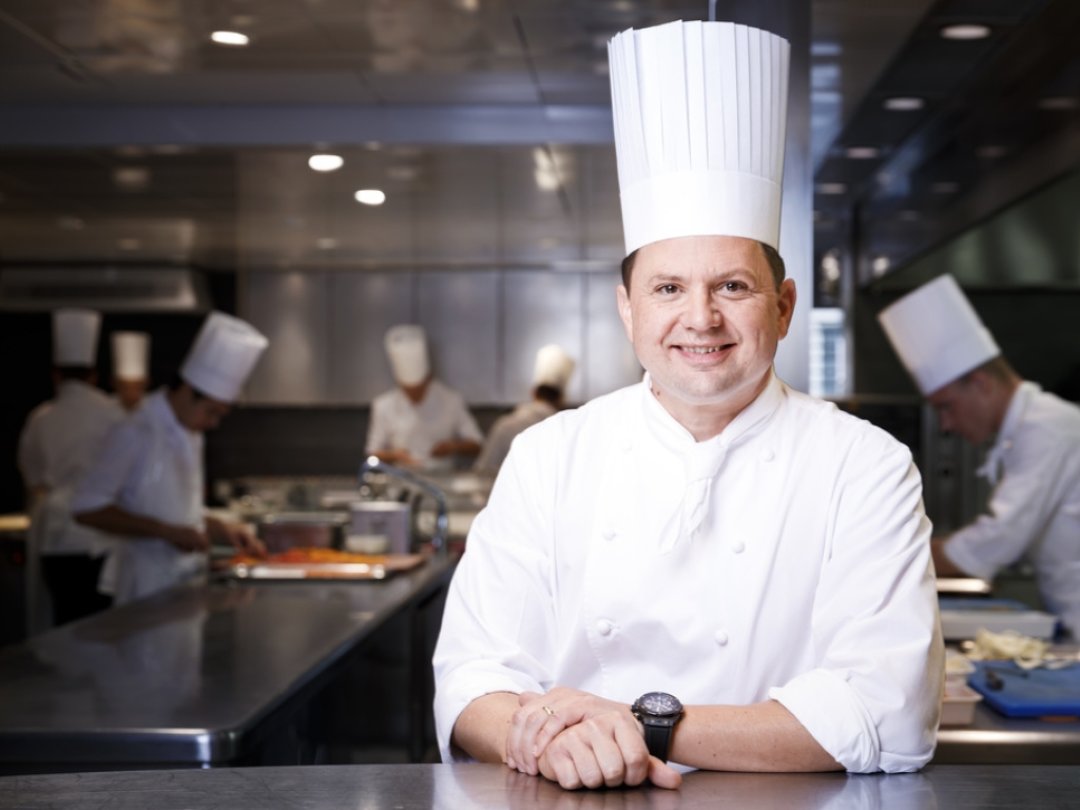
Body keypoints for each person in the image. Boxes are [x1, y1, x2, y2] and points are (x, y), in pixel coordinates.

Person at [433, 19, 942, 791]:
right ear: (627, 309)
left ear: (784, 306)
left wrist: (642, 727)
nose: (699, 318)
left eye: (731, 287)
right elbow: (470, 680)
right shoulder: (550, 455)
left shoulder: (864, 465)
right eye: (668, 288)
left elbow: (891, 709)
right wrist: (557, 740)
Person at [879, 273, 1080, 638]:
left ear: (981, 384)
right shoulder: (1029, 429)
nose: (946, 424)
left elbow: (995, 540)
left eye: (947, 407)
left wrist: (891, 559)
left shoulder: (1048, 429)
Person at [71, 311, 268, 605]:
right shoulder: (135, 430)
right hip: (142, 591)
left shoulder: (191, 433)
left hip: (185, 588)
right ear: (188, 391)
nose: (213, 424)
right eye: (211, 412)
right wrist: (165, 532)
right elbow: (86, 508)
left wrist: (220, 528)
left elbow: (175, 509)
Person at [17, 309, 124, 631]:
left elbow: (33, 478)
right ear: (94, 375)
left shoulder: (41, 418)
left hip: (56, 537)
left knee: (67, 624)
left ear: (56, 375)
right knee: (103, 626)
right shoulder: (114, 413)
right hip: (103, 535)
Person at [366, 324, 483, 469]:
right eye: (408, 390)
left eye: (419, 389)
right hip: (400, 483)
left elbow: (477, 445)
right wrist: (396, 455)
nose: (414, 395)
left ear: (429, 378)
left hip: (443, 483)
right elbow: (372, 453)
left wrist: (452, 447)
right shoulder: (383, 405)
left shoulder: (451, 400)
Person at [474, 345, 576, 474]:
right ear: (561, 398)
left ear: (533, 392)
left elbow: (482, 472)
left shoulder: (505, 426)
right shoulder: (567, 430)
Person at [111, 331, 151, 412]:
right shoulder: (102, 407)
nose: (130, 394)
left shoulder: (154, 408)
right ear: (114, 383)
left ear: (147, 383)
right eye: (125, 387)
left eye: (137, 387)